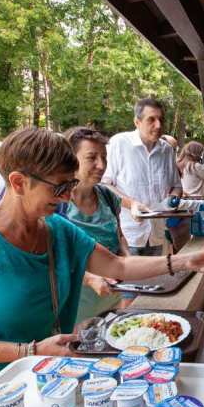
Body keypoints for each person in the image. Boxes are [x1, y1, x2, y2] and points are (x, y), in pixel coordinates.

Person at [0, 127, 204, 407]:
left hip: (47, 386)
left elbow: (118, 265)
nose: (68, 197)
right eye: (60, 187)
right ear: (18, 182)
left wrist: (185, 261)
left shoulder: (56, 229)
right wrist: (29, 351)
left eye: (70, 185)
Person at [59, 127, 128, 322]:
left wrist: (128, 260)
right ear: (70, 159)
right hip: (73, 307)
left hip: (111, 299)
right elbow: (53, 259)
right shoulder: (57, 205)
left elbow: (119, 237)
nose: (101, 165)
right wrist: (89, 279)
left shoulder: (108, 197)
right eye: (92, 157)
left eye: (104, 157)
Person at [103, 98, 182, 256]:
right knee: (130, 280)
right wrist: (131, 203)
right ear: (137, 122)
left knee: (160, 280)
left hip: (158, 233)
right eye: (151, 119)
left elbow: (177, 186)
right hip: (128, 234)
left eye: (161, 120)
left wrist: (173, 198)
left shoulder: (166, 150)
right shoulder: (118, 144)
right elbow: (104, 185)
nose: (158, 125)